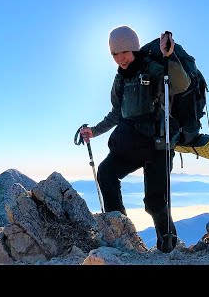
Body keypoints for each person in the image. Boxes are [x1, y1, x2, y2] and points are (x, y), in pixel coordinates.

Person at [80, 25, 190, 253]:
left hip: (158, 144)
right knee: (106, 173)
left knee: (154, 202)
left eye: (124, 52)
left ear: (134, 49)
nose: (120, 58)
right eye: (114, 54)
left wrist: (170, 57)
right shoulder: (120, 79)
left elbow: (181, 85)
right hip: (132, 142)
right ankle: (121, 232)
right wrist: (94, 131)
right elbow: (116, 114)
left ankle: (167, 247)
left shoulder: (154, 69)